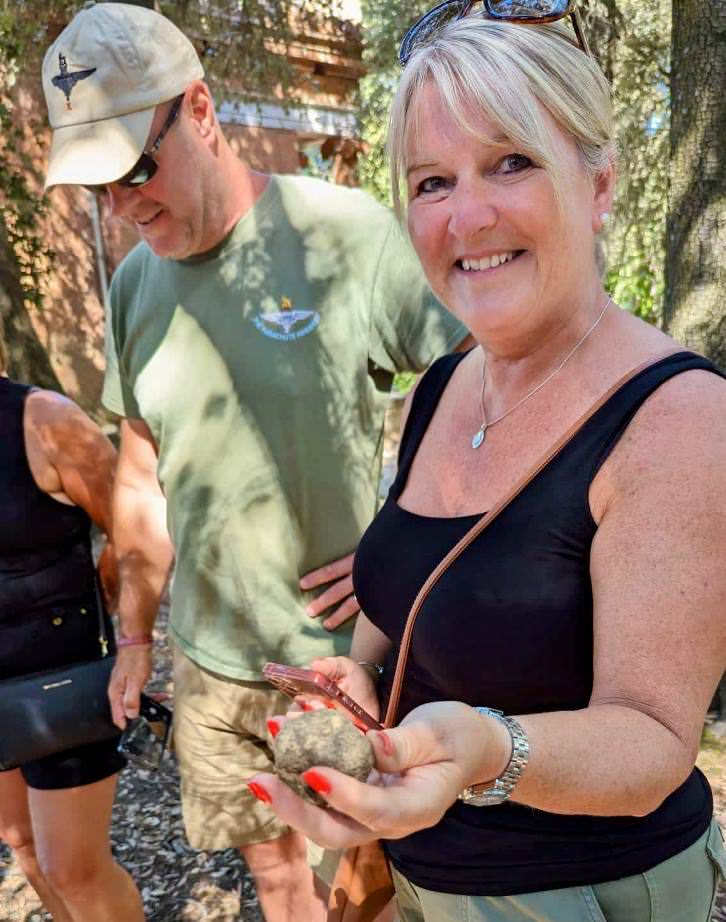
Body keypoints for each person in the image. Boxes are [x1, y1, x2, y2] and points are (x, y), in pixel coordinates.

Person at [249, 9, 726, 922]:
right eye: (433, 181)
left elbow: (657, 742)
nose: (468, 215)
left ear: (599, 184)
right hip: (418, 878)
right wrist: (361, 691)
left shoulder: (679, 417)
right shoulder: (443, 385)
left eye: (512, 162)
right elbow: (420, 603)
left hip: (585, 893)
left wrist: (477, 751)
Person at [40, 4, 470, 919]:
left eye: (134, 170)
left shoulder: (344, 235)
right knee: (275, 879)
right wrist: (141, 635)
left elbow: (479, 393)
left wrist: (400, 543)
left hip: (334, 661)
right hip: (208, 668)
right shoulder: (133, 285)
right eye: (97, 189)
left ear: (198, 109)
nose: (121, 206)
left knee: (367, 890)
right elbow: (143, 475)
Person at [0, 334, 145, 921]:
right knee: (24, 845)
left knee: (74, 869)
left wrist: (108, 606)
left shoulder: (45, 420)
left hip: (58, 680)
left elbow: (130, 526)